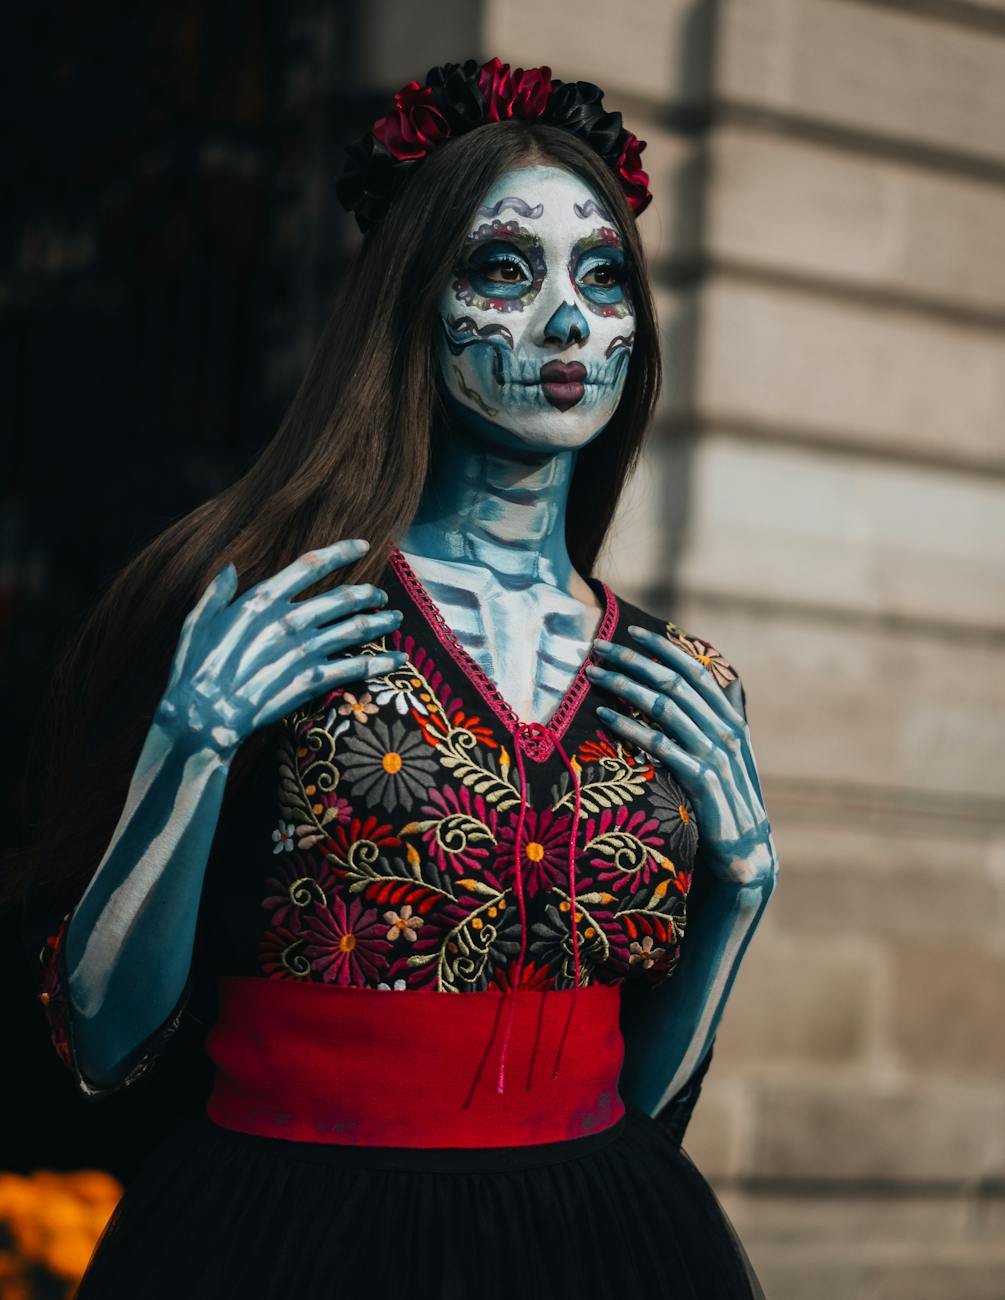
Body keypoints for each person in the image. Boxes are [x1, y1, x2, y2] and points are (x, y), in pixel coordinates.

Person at [16, 56, 778, 1299]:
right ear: (414, 304)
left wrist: (737, 896)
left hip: (601, 1237)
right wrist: (189, 748)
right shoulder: (274, 614)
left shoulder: (676, 678)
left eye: (601, 278)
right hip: (297, 1236)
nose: (569, 324)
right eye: (501, 270)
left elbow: (641, 1101)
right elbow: (100, 1041)